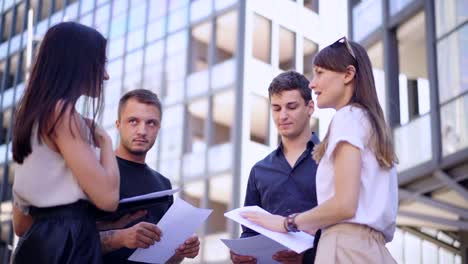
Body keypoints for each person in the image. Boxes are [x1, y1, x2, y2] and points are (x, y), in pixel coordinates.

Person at [242, 37, 398, 264]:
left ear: (348, 74)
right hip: (368, 249)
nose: (313, 84)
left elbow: (344, 204)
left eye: (319, 73)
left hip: (345, 249)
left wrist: (286, 223)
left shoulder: (348, 117)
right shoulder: (368, 121)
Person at [11, 22, 120, 263]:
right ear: (78, 63)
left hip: (41, 243)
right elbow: (108, 197)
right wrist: (105, 142)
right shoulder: (62, 114)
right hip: (68, 245)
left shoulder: (33, 117)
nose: (105, 75)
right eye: (100, 63)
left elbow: (20, 224)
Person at [99, 89, 200, 264]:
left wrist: (182, 250)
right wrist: (122, 237)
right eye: (133, 121)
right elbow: (69, 239)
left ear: (159, 128)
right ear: (118, 124)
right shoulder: (96, 170)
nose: (142, 131)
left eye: (151, 123)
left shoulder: (163, 184)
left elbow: (164, 259)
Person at [231, 71, 321, 264]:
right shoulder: (259, 170)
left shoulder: (331, 160)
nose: (283, 116)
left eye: (291, 107)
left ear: (310, 107)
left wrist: (306, 257)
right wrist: (240, 253)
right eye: (276, 108)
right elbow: (249, 230)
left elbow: (342, 224)